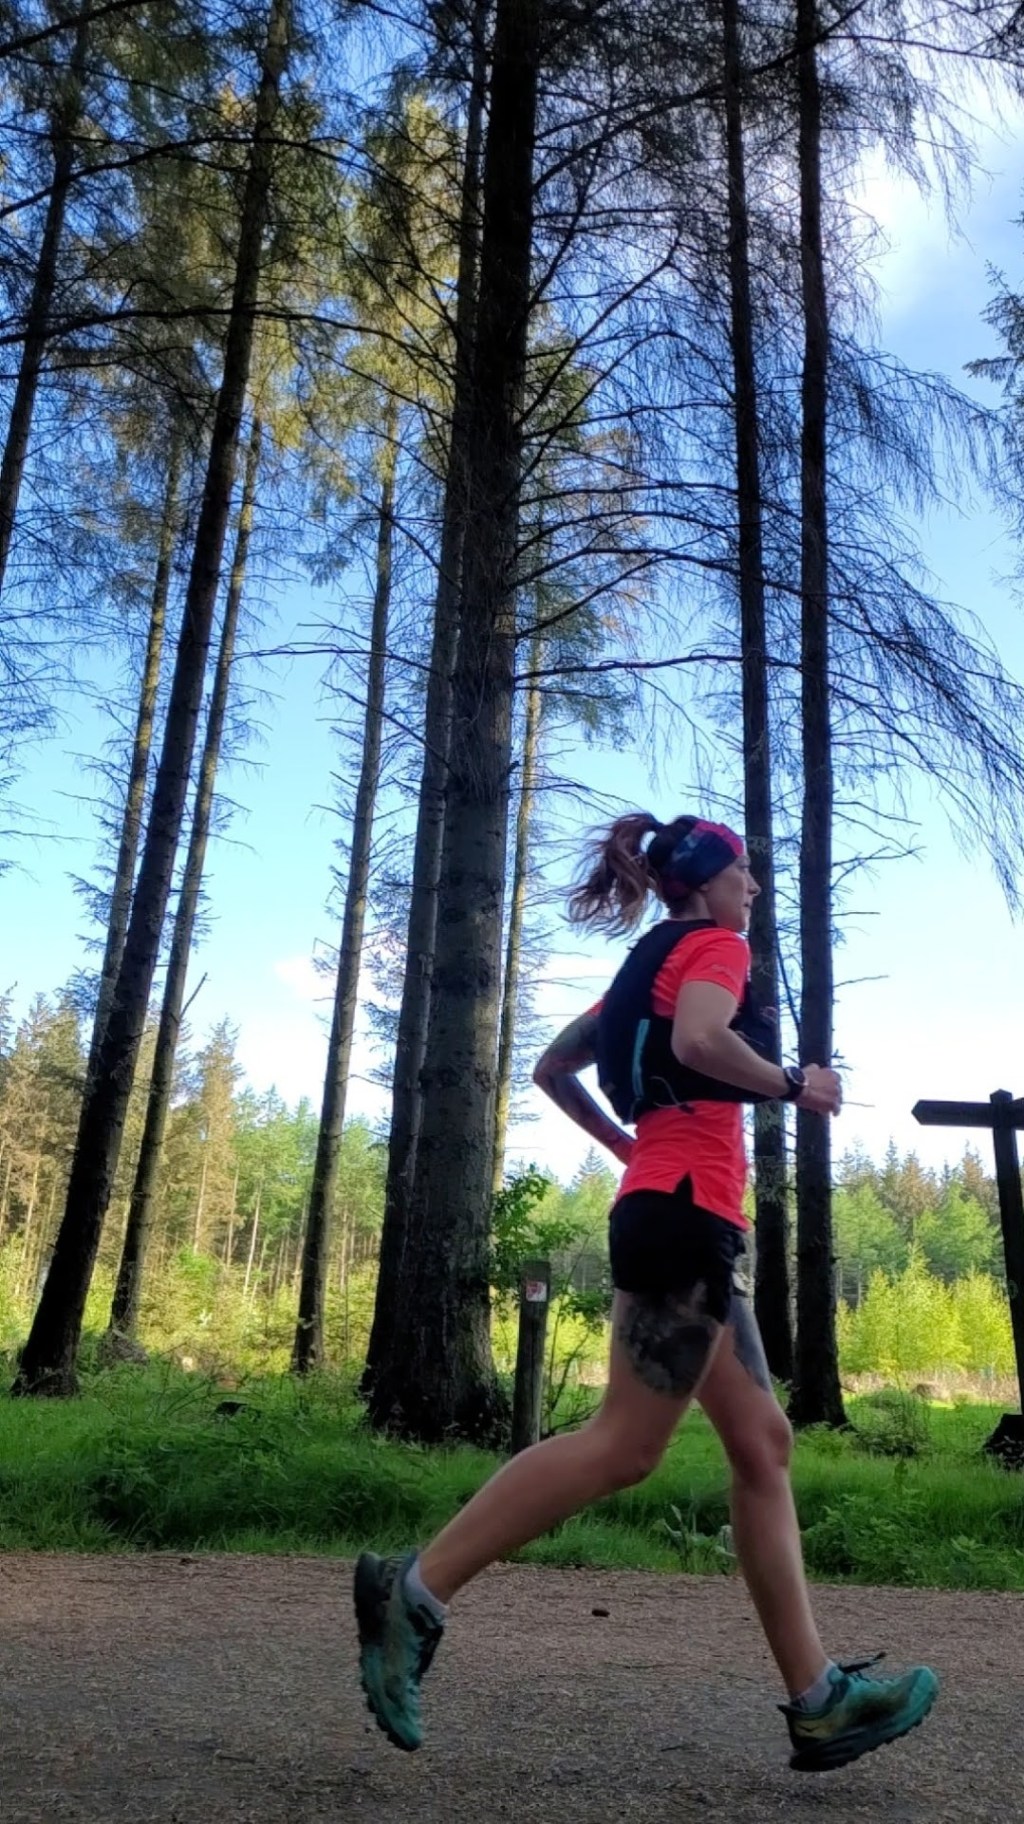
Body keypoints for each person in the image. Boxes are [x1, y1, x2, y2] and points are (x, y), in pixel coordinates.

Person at [354, 810, 938, 1773]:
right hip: (685, 1217)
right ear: (707, 882)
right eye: (743, 874)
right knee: (625, 1446)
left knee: (762, 1443)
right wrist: (794, 1084)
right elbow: (704, 1043)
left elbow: (554, 1069)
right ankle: (412, 1595)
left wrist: (632, 1148)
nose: (754, 889)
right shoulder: (715, 948)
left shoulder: (646, 968)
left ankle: (820, 1701)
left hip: (675, 1207)